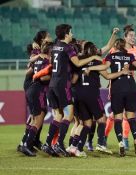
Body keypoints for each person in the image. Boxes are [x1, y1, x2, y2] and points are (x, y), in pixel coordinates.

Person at [85, 38, 136, 156]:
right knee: (131, 117)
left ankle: (121, 143)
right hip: (130, 86)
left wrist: (90, 68)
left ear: (116, 46)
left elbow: (103, 67)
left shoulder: (111, 56)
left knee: (118, 118)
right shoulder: (129, 56)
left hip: (117, 86)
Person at [41, 24, 101, 157]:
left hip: (52, 84)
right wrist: (93, 57)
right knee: (69, 114)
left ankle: (47, 143)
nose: (72, 34)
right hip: (63, 85)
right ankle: (59, 144)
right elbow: (78, 63)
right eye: (71, 32)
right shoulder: (67, 48)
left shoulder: (55, 46)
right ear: (66, 34)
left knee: (58, 115)